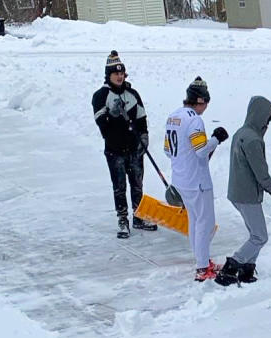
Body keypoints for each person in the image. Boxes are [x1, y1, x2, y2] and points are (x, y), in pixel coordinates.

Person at [214, 95, 271, 287]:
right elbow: (261, 174)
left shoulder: (241, 133)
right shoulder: (253, 140)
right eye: (268, 118)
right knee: (260, 236)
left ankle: (247, 268)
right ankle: (231, 267)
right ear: (260, 116)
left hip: (237, 193)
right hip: (247, 195)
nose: (269, 123)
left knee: (255, 234)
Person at [163, 76, 228, 281]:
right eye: (206, 103)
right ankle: (202, 268)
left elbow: (167, 149)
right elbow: (201, 151)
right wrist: (217, 139)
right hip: (197, 181)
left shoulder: (173, 117)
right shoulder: (194, 120)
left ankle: (202, 260)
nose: (206, 107)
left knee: (194, 221)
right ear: (199, 100)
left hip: (180, 180)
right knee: (205, 224)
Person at [91, 50, 158, 239]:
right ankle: (122, 219)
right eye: (116, 73)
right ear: (108, 75)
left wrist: (143, 138)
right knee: (119, 186)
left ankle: (139, 215)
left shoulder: (132, 94)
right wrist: (111, 115)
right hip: (115, 150)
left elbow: (142, 119)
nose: (120, 76)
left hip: (134, 149)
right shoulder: (101, 96)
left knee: (137, 184)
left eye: (122, 73)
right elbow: (101, 124)